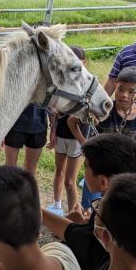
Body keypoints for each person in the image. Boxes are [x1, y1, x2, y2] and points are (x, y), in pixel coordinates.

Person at [42, 133, 136, 270]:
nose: (84, 173)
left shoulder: (108, 219)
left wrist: (33, 209)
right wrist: (84, 223)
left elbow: (78, 237)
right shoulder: (130, 207)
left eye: (86, 167)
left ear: (104, 182)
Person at [47, 46, 90, 215]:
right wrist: (54, 129)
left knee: (70, 181)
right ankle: (57, 206)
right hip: (62, 132)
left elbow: (86, 110)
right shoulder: (62, 82)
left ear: (84, 63)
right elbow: (53, 106)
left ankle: (74, 213)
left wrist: (64, 110)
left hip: (77, 136)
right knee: (59, 171)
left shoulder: (87, 84)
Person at [97, 67, 136, 150]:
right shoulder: (104, 109)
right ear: (116, 87)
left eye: (131, 92)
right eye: (120, 89)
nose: (124, 95)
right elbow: (76, 121)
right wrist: (84, 143)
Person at [3, 104, 48, 177]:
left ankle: (26, 188)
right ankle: (9, 188)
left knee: (30, 170)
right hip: (15, 126)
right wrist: (3, 130)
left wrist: (54, 128)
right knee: (10, 168)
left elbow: (52, 103)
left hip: (38, 127)